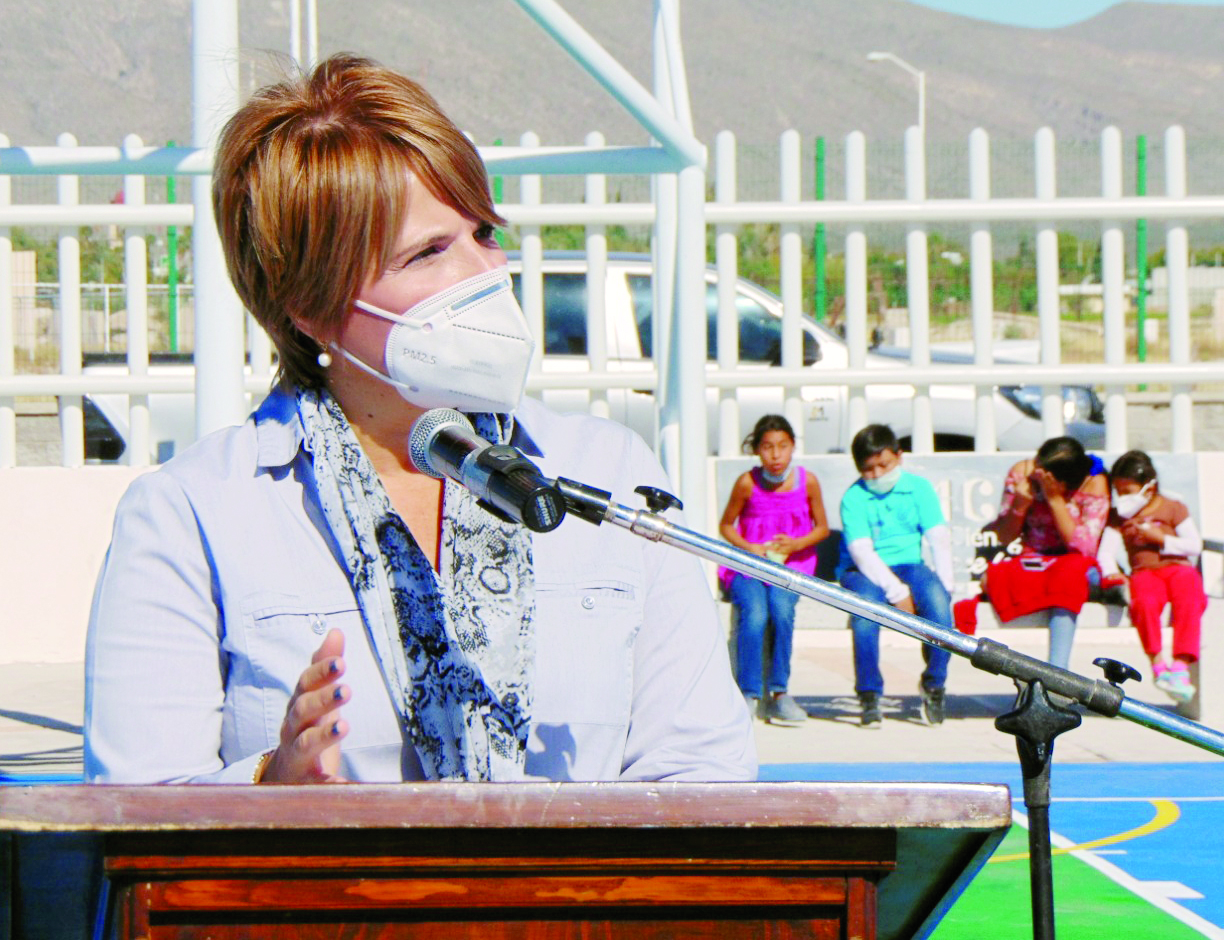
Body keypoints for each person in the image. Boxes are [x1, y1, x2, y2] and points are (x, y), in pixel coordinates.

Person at [83, 53, 756, 785]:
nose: (483, 273)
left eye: (484, 234)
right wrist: (268, 786)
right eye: (429, 252)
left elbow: (699, 770)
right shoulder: (192, 512)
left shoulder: (610, 475)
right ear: (310, 308)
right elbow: (135, 807)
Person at [837, 425, 955, 728]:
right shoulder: (854, 498)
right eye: (868, 469)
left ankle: (934, 684)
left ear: (899, 457)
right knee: (865, 614)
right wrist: (897, 592)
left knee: (940, 609)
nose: (877, 474)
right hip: (864, 572)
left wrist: (946, 585)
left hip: (910, 565)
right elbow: (862, 552)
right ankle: (869, 694)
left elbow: (938, 538)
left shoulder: (919, 488)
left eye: (884, 465)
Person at [718, 415, 829, 725]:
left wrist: (796, 544)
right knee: (754, 615)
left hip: (790, 568)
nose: (776, 455)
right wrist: (748, 546)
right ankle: (750, 694)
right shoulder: (746, 483)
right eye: (767, 447)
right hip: (750, 566)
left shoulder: (808, 482)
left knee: (781, 611)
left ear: (793, 446)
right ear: (757, 450)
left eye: (782, 446)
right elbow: (726, 525)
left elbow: (822, 528)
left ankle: (779, 693)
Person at [981, 435, 1110, 670]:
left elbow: (1084, 547)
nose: (1037, 477)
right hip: (1035, 561)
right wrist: (1019, 505)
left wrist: (1054, 499)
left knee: (1067, 581)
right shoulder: (1023, 474)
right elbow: (1005, 537)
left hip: (1075, 565)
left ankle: (1056, 674)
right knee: (994, 577)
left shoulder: (1094, 482)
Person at [1096, 450, 1205, 703]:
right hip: (1144, 572)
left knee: (1190, 600)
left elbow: (1194, 545)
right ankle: (1157, 664)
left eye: (1129, 491)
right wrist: (1114, 574)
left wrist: (1162, 540)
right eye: (1119, 492)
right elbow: (1106, 553)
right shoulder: (1119, 517)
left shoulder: (1172, 507)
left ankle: (1180, 667)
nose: (1124, 498)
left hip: (1178, 567)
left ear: (1149, 486)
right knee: (1144, 603)